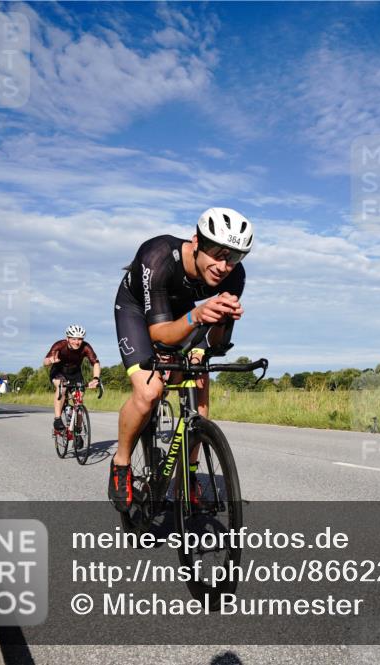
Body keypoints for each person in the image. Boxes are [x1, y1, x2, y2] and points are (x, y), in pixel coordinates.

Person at [109, 207, 252, 512]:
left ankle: (187, 475)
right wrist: (198, 314)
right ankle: (121, 463)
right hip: (138, 311)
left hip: (181, 313)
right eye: (218, 252)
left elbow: (217, 343)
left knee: (199, 376)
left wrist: (225, 321)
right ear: (196, 241)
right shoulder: (158, 255)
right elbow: (160, 334)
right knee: (149, 392)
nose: (224, 265)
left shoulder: (234, 276)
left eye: (235, 257)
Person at [44, 325, 101, 432]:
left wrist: (96, 378)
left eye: (79, 339)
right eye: (73, 338)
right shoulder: (60, 345)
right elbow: (45, 361)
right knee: (62, 387)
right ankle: (57, 419)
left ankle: (78, 429)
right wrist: (50, 361)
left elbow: (96, 363)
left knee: (79, 400)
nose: (77, 342)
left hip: (75, 374)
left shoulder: (86, 347)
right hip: (59, 372)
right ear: (67, 338)